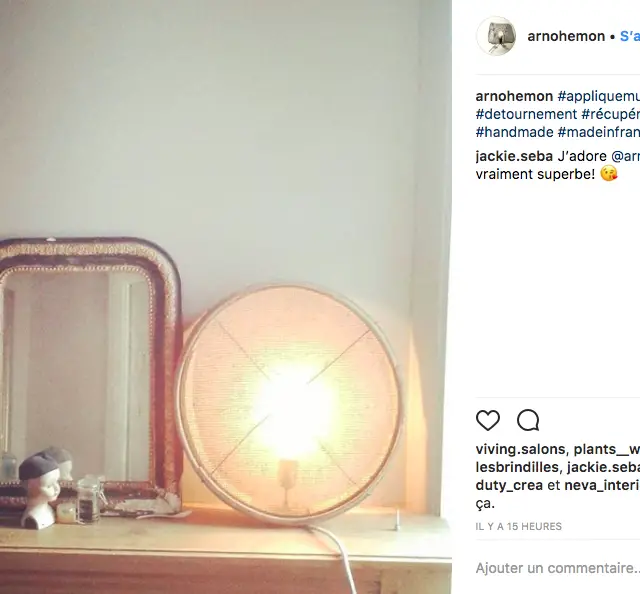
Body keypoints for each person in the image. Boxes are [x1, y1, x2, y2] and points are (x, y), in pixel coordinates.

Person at [18, 453, 61, 530]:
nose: (56, 488)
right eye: (49, 485)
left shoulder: (50, 510)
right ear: (29, 486)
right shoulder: (31, 518)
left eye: (57, 481)